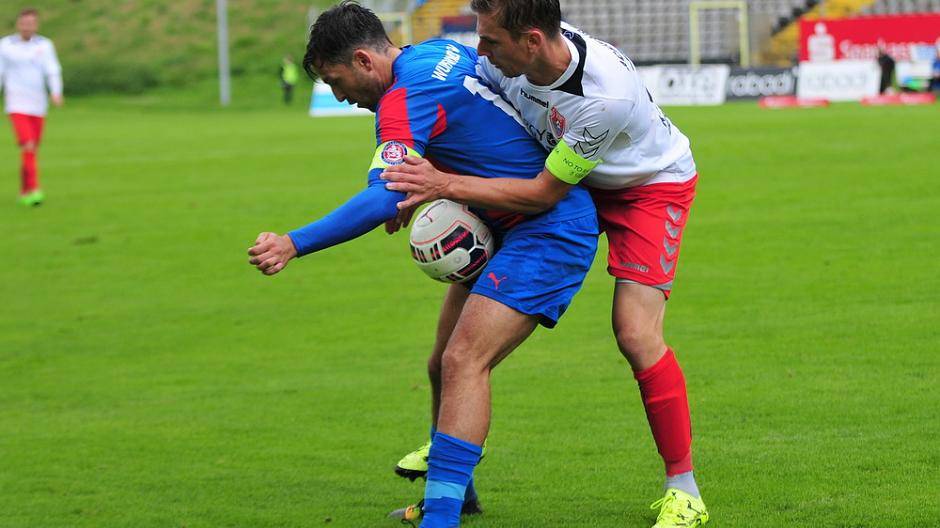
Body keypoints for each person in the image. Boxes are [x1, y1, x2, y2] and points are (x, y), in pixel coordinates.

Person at [246, 3, 598, 526]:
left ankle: (440, 517)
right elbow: (468, 126)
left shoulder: (402, 99)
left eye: (336, 81)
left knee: (464, 360)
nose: (339, 96)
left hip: (548, 229)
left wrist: (293, 243)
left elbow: (381, 197)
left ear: (363, 60)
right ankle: (457, 495)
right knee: (442, 364)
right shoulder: (439, 52)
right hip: (500, 221)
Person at [382, 1, 709, 526]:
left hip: (648, 186)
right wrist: (419, 182)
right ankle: (452, 474)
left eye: (491, 41)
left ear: (532, 40)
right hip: (567, 180)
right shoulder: (506, 58)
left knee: (635, 333)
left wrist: (442, 185)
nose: (480, 51)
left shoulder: (603, 97)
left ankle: (684, 489)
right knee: (451, 351)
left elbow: (541, 194)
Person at [0, 8, 62, 206]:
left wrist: (56, 91)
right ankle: (35, 189)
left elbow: (52, 70)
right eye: (23, 23)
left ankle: (24, 191)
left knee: (31, 149)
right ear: (18, 24)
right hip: (16, 103)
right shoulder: (6, 45)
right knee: (28, 144)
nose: (27, 27)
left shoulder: (44, 45)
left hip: (38, 104)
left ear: (36, 25)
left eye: (31, 23)